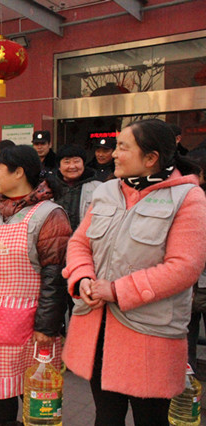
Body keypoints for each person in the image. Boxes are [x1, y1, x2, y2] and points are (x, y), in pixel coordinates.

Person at [62, 119, 206, 425]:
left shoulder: (187, 197)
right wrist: (83, 277)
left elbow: (185, 267)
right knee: (106, 416)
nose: (113, 154)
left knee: (150, 418)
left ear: (151, 158)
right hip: (99, 329)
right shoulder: (107, 190)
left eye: (123, 147)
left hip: (149, 335)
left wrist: (116, 290)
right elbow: (79, 243)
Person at [0, 145, 71, 425]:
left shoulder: (49, 215)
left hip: (30, 323)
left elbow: (55, 276)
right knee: (1, 388)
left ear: (19, 173)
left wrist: (47, 326)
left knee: (32, 388)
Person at [52, 144, 101, 231]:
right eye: (67, 162)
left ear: (83, 164)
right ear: (59, 166)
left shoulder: (98, 188)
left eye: (76, 161)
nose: (72, 166)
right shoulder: (50, 187)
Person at [187, 153, 206, 374]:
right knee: (186, 341)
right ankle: (186, 382)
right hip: (188, 284)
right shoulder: (185, 200)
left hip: (198, 281)